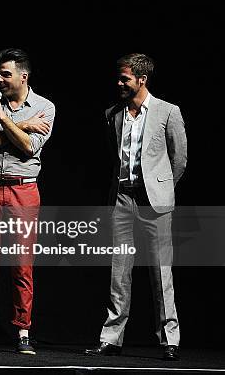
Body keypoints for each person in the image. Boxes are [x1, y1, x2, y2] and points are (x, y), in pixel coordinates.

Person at [85, 53, 187, 361]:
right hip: (123, 199)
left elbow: (178, 159)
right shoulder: (112, 114)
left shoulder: (168, 112)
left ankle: (170, 338)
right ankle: (112, 338)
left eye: (125, 78)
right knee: (119, 271)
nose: (119, 83)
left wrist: (160, 186)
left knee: (161, 271)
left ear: (141, 80)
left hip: (153, 200)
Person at [0, 48, 55, 355]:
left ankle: (23, 332)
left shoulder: (45, 107)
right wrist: (23, 125)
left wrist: (2, 118)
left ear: (23, 76)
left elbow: (30, 147)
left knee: (22, 265)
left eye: (6, 73)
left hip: (23, 190)